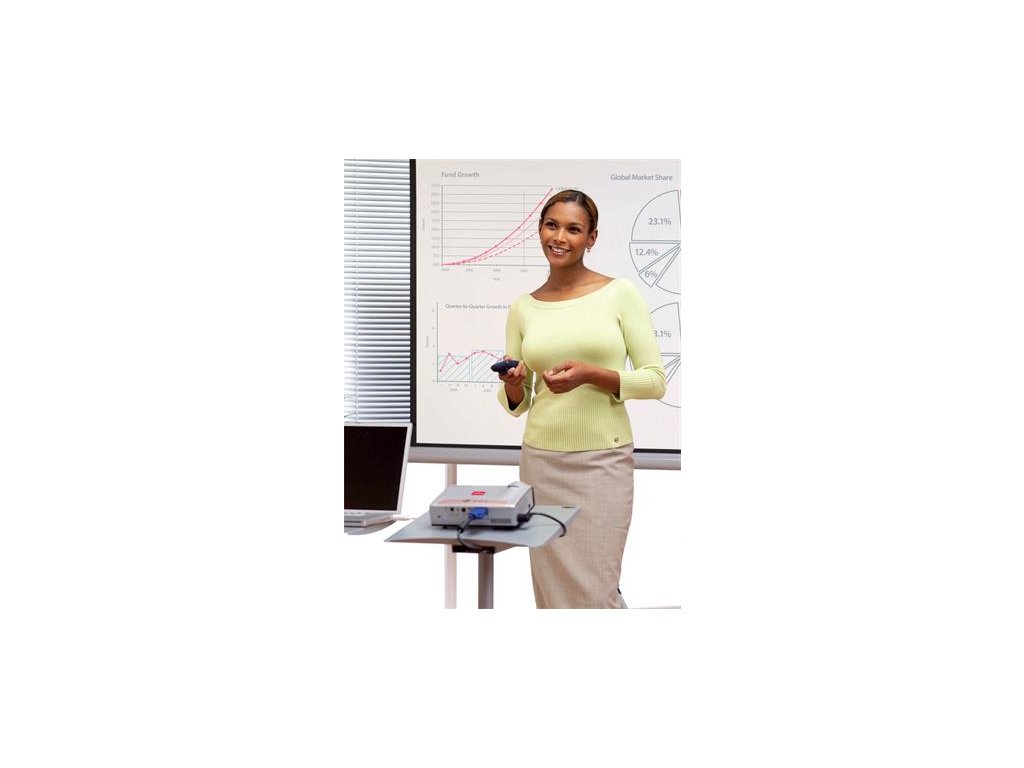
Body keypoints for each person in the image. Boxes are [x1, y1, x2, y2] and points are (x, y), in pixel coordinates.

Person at [496, 189, 666, 608]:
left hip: (602, 464)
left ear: (591, 238)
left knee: (595, 590)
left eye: (573, 229)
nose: (560, 237)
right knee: (552, 593)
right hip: (541, 461)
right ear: (539, 230)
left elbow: (654, 381)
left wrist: (591, 374)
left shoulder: (619, 293)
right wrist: (515, 383)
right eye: (551, 225)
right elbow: (519, 400)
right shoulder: (523, 308)